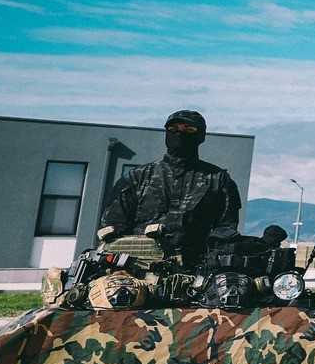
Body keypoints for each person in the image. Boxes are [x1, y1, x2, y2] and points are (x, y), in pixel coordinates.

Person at [98, 109, 243, 267]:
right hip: (136, 268)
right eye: (173, 129)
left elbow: (226, 229)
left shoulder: (218, 180)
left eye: (189, 130)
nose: (180, 134)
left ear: (201, 136)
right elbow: (112, 226)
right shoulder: (137, 177)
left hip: (193, 271)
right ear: (166, 134)